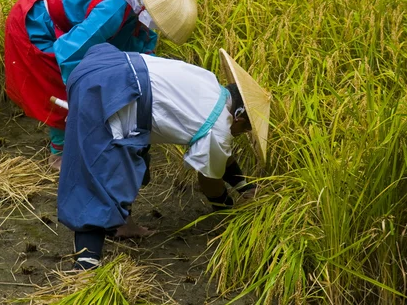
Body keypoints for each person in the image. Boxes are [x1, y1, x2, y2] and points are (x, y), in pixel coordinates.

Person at [57, 42, 271, 270]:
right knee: (102, 175)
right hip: (113, 91)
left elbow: (221, 155)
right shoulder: (218, 127)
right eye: (246, 130)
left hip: (102, 65)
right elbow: (209, 180)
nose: (241, 135)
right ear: (238, 117)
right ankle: (86, 266)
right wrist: (229, 213)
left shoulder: (209, 82)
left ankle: (123, 224)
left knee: (135, 154)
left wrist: (246, 188)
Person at [4, 0, 197, 169]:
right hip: (35, 21)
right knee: (59, 85)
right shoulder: (113, 10)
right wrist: (82, 96)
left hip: (65, 22)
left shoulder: (136, 7)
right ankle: (59, 154)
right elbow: (69, 52)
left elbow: (141, 53)